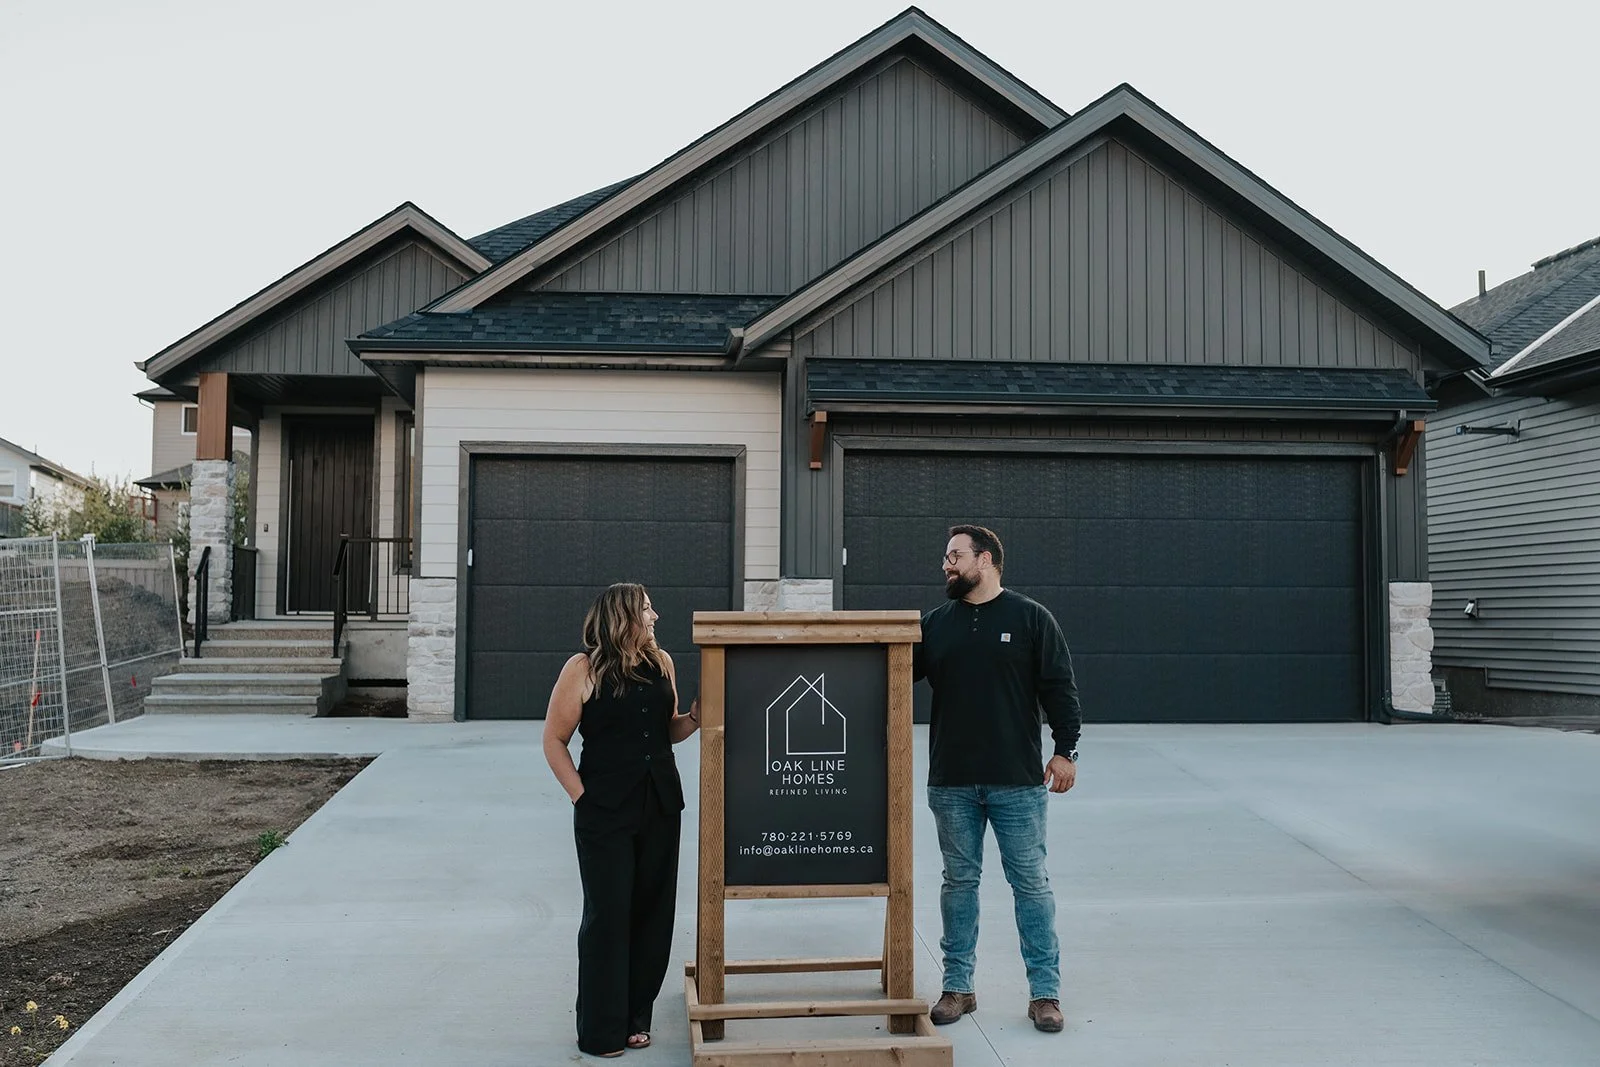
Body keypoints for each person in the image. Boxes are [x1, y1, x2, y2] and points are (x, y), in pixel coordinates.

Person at [913, 524, 1082, 1034]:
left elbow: (1060, 689)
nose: (946, 564)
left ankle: (1044, 994)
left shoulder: (1031, 618)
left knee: (1030, 884)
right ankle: (958, 988)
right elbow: (893, 678)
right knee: (959, 884)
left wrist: (1065, 751)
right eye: (946, 557)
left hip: (1017, 782)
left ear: (984, 560)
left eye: (954, 556)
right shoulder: (936, 624)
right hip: (952, 780)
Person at [543, 582, 700, 1058]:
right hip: (604, 811)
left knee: (653, 913)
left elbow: (667, 730)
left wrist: (693, 718)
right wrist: (580, 796)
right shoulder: (582, 669)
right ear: (624, 616)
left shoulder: (662, 663)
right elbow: (554, 740)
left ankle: (636, 1015)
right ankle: (599, 1029)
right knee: (607, 916)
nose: (656, 617)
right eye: (648, 610)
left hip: (659, 804)